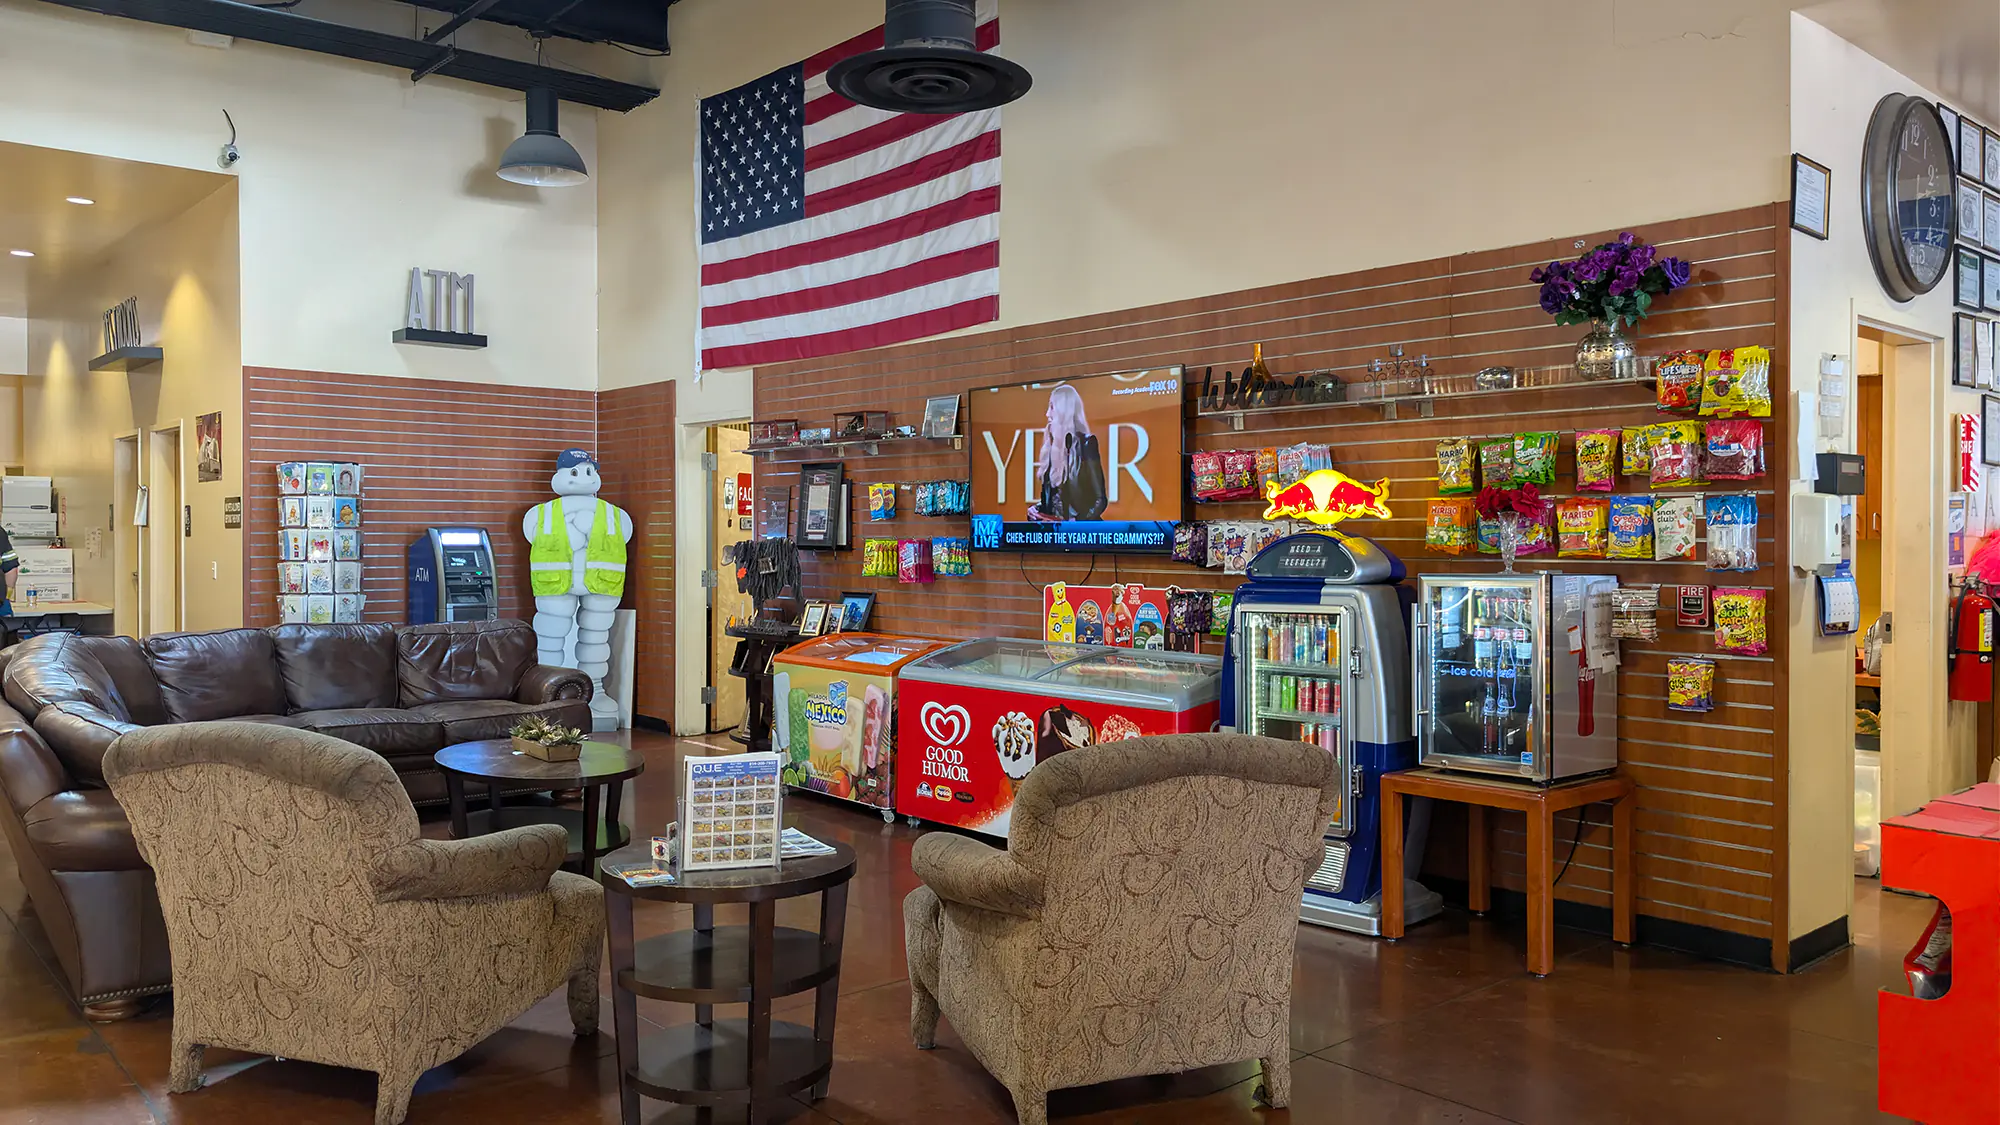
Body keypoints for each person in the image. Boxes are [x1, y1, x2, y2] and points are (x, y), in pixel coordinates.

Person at [1025, 383, 1107, 522]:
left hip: (1081, 536)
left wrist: (1075, 524)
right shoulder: (1050, 447)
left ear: (1064, 411)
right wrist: (1036, 509)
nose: (1047, 414)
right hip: (1056, 535)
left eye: (1051, 407)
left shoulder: (1086, 444)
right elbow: (1054, 501)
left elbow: (1100, 500)